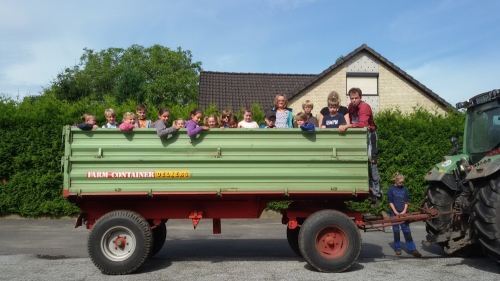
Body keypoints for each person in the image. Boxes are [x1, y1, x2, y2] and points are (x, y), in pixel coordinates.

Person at [338, 87, 381, 208]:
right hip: (358, 137)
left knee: (371, 163)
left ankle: (377, 193)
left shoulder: (365, 107)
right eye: (352, 98)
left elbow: (363, 124)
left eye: (356, 98)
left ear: (360, 98)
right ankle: (364, 188)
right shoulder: (350, 107)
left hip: (369, 136)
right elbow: (349, 122)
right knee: (358, 162)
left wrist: (348, 126)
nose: (354, 100)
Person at [387, 172, 422, 258]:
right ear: (396, 180)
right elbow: (390, 202)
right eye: (400, 182)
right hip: (394, 213)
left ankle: (412, 249)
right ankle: (398, 248)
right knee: (396, 231)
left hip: (404, 213)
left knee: (407, 231)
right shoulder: (390, 189)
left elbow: (406, 201)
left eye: (402, 182)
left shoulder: (405, 189)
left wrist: (404, 211)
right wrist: (395, 212)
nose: (401, 184)